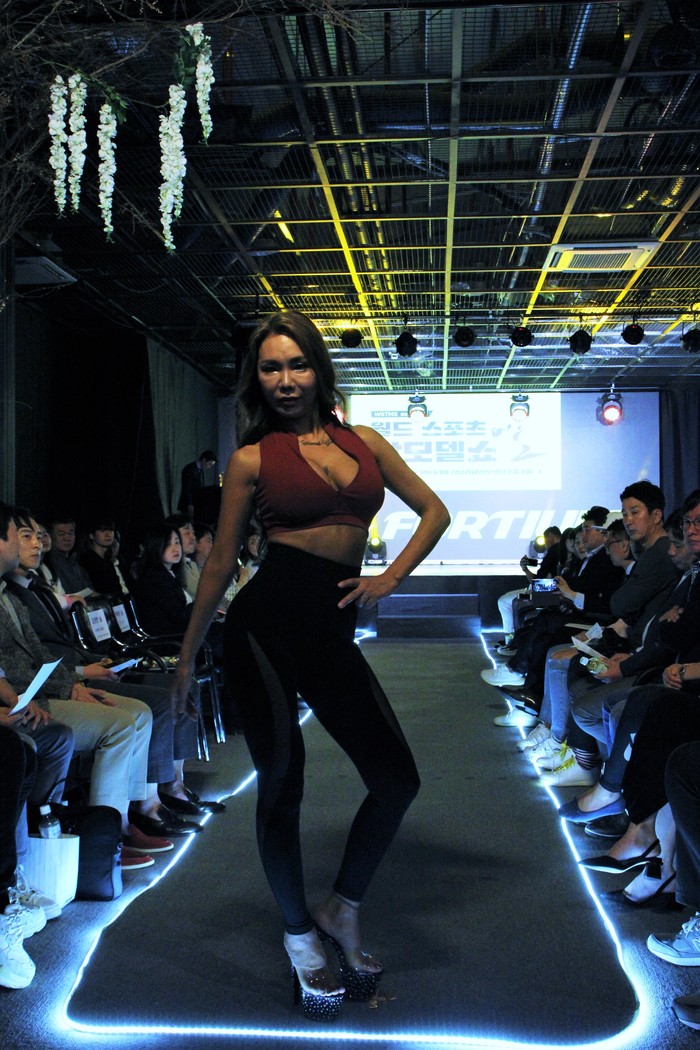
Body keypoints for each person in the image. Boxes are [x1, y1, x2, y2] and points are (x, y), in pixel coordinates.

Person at [171, 309, 449, 1019]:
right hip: (263, 627)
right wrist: (186, 657)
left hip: (331, 632)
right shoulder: (251, 459)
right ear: (256, 379)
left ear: (319, 369)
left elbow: (435, 512)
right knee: (283, 782)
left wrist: (390, 579)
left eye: (297, 364)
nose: (286, 380)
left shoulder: (367, 442)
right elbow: (220, 563)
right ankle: (299, 935)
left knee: (397, 779)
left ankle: (340, 907)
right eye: (271, 367)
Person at [177, 451, 216, 519]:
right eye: (209, 464)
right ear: (204, 460)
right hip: (189, 505)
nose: (209, 467)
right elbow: (186, 488)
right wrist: (190, 504)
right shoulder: (190, 469)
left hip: (195, 504)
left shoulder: (200, 471)